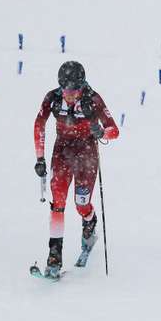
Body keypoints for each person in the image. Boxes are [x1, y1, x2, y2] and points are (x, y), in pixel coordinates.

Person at [33, 61, 119, 277]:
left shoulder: (93, 98)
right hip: (62, 151)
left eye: (75, 91)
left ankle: (90, 222)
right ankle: (54, 255)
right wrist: (40, 158)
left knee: (81, 204)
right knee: (58, 203)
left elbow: (114, 130)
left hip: (86, 153)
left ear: (82, 87)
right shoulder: (52, 98)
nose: (70, 95)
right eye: (66, 90)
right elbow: (38, 124)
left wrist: (101, 133)